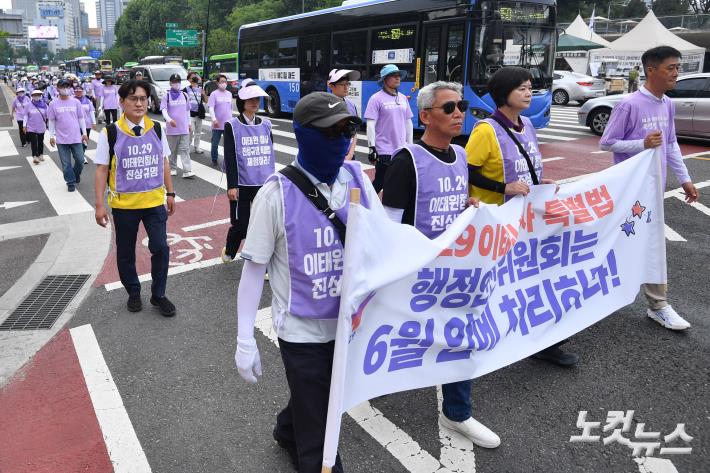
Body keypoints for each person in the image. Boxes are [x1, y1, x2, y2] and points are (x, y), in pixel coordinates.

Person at [235, 92, 374, 473]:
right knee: (321, 435)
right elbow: (252, 271)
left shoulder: (357, 178)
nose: (342, 139)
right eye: (331, 132)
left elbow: (384, 240)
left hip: (349, 325)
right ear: (303, 134)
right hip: (303, 333)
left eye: (349, 129)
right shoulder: (275, 194)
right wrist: (244, 339)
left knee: (317, 402)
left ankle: (287, 428)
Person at [382, 81, 500, 448]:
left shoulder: (462, 155)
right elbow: (390, 224)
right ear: (425, 116)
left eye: (460, 106)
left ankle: (457, 412)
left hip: (455, 270)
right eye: (448, 108)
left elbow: (455, 199)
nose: (458, 113)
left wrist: (469, 209)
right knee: (386, 332)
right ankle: (359, 382)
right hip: (415, 273)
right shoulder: (407, 161)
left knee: (460, 337)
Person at [465, 66, 579, 367]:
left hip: (529, 220)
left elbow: (528, 166)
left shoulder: (527, 123)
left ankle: (545, 341)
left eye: (530, 87)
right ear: (504, 94)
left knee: (535, 280)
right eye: (522, 88)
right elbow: (469, 171)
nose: (529, 93)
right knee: (496, 286)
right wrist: (505, 187)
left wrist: (542, 184)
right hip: (498, 223)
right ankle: (481, 338)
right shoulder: (486, 130)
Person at [600, 46, 698, 331]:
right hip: (630, 192)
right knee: (619, 241)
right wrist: (640, 144)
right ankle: (593, 291)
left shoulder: (667, 103)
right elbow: (606, 142)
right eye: (671, 68)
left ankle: (658, 304)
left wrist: (684, 178)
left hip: (653, 190)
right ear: (651, 70)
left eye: (678, 67)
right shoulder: (629, 104)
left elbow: (670, 144)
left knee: (652, 244)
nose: (676, 73)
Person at [93, 79, 177, 317]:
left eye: (143, 98)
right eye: (133, 98)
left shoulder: (157, 128)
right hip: (124, 206)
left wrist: (170, 193)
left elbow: (164, 162)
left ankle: (158, 294)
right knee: (126, 252)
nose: (139, 103)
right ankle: (133, 291)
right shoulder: (110, 133)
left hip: (153, 203)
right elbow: (101, 170)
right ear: (121, 102)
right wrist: (100, 206)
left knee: (160, 248)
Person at [221, 79, 274, 263]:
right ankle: (230, 248)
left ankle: (262, 262)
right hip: (242, 184)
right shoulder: (232, 126)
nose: (254, 102)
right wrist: (232, 185)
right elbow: (230, 157)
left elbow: (269, 152)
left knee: (265, 225)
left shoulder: (266, 125)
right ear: (242, 101)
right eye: (250, 99)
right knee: (241, 225)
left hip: (263, 183)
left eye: (257, 99)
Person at [364, 64, 414, 192]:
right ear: (385, 79)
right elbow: (370, 124)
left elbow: (408, 122)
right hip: (384, 149)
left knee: (399, 182)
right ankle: (368, 206)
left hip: (402, 149)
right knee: (380, 181)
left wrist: (410, 144)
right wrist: (372, 147)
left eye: (399, 76)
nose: (397, 78)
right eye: (394, 76)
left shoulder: (403, 98)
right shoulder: (375, 99)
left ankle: (390, 209)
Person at [48, 79, 88, 192]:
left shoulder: (76, 102)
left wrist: (84, 133)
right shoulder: (53, 103)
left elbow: (81, 118)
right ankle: (70, 182)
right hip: (61, 139)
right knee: (66, 164)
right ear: (58, 88)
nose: (65, 88)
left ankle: (75, 175)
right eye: (63, 86)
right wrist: (51, 136)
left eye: (67, 86)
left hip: (76, 137)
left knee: (80, 160)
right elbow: (51, 121)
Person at [161, 73, 194, 179]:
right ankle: (173, 168)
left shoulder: (185, 95)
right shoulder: (167, 96)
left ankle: (187, 171)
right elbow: (164, 110)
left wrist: (189, 123)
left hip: (184, 127)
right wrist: (170, 120)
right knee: (172, 150)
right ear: (170, 83)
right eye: (174, 82)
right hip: (172, 129)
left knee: (185, 149)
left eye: (178, 82)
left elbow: (187, 110)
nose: (176, 84)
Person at [327, 69, 360, 160]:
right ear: (331, 86)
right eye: (342, 84)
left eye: (347, 84)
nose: (346, 87)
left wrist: (350, 155)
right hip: (331, 157)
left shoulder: (351, 105)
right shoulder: (325, 106)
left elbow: (354, 132)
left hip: (349, 156)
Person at [207, 74, 233, 166]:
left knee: (228, 145)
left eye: (225, 82)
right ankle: (214, 159)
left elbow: (230, 109)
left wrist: (232, 121)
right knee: (215, 144)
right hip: (217, 124)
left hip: (227, 124)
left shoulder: (229, 94)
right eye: (222, 82)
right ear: (217, 83)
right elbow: (210, 108)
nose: (224, 83)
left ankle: (227, 161)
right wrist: (214, 119)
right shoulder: (214, 94)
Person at [22, 89, 48, 165]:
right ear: (32, 96)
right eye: (35, 95)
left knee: (40, 141)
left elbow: (48, 115)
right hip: (31, 127)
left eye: (38, 95)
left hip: (41, 126)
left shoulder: (45, 105)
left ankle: (40, 154)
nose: (37, 96)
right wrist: (24, 125)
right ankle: (34, 156)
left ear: (41, 96)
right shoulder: (28, 105)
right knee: (34, 142)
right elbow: (25, 115)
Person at [184, 72, 207, 154]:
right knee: (191, 131)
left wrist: (204, 95)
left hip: (199, 114)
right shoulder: (186, 89)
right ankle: (187, 146)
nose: (195, 78)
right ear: (189, 79)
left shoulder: (201, 89)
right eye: (193, 77)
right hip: (190, 115)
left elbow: (206, 101)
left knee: (198, 132)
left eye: (196, 76)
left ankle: (197, 147)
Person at [74, 85, 95, 163]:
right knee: (79, 141)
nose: (78, 93)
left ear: (82, 92)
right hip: (76, 125)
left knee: (85, 141)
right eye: (76, 91)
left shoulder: (87, 101)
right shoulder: (72, 101)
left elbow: (91, 111)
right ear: (74, 92)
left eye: (80, 91)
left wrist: (94, 122)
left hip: (87, 124)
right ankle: (82, 156)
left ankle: (82, 154)